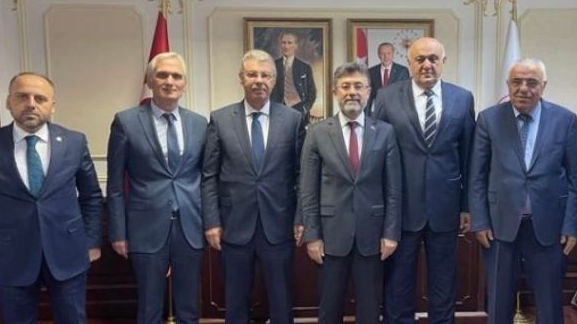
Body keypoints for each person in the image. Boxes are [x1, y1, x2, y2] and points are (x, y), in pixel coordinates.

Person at [468, 58, 577, 324]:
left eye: (532, 82)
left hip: (549, 227)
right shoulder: (488, 119)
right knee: (498, 302)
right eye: (517, 82)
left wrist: (572, 225)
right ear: (508, 85)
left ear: (543, 86)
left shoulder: (564, 119)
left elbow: (574, 178)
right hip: (499, 227)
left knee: (550, 303)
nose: (523, 88)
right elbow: (477, 175)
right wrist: (480, 221)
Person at [374, 37, 475, 323]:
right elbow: (376, 154)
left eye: (433, 58)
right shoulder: (387, 97)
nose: (427, 64)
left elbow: (469, 156)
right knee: (398, 284)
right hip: (401, 209)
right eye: (420, 59)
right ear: (409, 63)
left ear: (444, 62)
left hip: (446, 208)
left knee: (444, 284)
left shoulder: (462, 98)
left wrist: (466, 205)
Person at [0, 72, 102, 323]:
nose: (31, 104)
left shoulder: (74, 142)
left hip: (68, 252)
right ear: (8, 102)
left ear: (52, 106)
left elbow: (91, 195)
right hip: (11, 256)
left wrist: (92, 241)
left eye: (40, 98)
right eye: (22, 97)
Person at [202, 49, 305, 324]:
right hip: (234, 226)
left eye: (265, 75)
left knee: (281, 303)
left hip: (279, 226)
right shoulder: (221, 119)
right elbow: (209, 175)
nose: (259, 80)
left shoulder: (293, 120)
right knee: (236, 304)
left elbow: (300, 174)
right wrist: (212, 221)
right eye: (252, 74)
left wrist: (300, 217)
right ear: (241, 78)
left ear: (274, 80)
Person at [107, 52, 207, 324]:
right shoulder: (126, 122)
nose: (169, 81)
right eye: (162, 75)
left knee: (189, 307)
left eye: (177, 76)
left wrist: (211, 223)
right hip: (145, 227)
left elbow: (207, 178)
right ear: (150, 81)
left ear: (185, 84)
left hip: (190, 227)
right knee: (149, 307)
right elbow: (115, 184)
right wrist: (118, 232)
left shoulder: (199, 123)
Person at [299, 62, 402, 324]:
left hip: (373, 236)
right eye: (345, 86)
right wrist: (312, 236)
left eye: (358, 86)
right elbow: (308, 189)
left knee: (370, 309)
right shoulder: (318, 133)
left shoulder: (385, 132)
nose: (352, 92)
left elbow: (393, 189)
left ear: (369, 91)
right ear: (335, 92)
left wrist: (391, 233)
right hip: (330, 237)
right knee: (329, 309)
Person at [271, 32, 317, 123]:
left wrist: (305, 108)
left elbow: (312, 92)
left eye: (289, 43)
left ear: (296, 46)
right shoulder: (272, 66)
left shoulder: (305, 68)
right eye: (284, 43)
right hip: (278, 111)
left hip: (299, 110)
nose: (286, 46)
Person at [367, 42, 409, 114]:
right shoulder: (371, 72)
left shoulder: (402, 71)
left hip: (398, 112)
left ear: (393, 54)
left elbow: (406, 94)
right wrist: (366, 115)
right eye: (382, 54)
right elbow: (369, 96)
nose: (386, 57)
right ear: (378, 55)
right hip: (378, 112)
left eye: (389, 53)